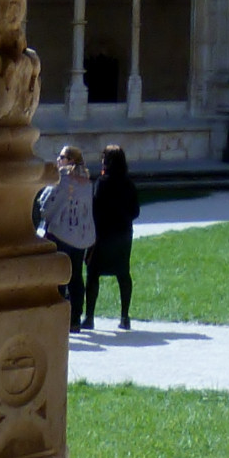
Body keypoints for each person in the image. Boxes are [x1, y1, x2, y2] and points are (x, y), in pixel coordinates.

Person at [39, 144, 96, 326]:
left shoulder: (62, 179)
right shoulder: (86, 182)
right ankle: (75, 318)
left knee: (60, 275)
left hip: (61, 233)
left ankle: (58, 316)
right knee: (76, 275)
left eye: (62, 157)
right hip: (81, 236)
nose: (58, 160)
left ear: (70, 160)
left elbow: (45, 204)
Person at [86, 142, 141, 332]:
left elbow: (96, 209)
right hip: (124, 233)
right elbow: (135, 211)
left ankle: (90, 317)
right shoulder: (129, 184)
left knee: (93, 273)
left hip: (103, 234)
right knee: (123, 273)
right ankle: (125, 316)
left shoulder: (102, 183)